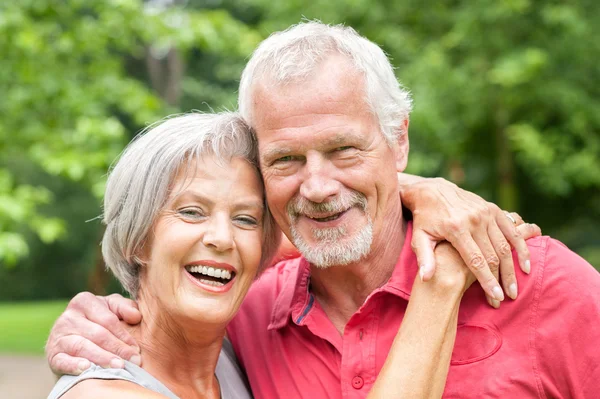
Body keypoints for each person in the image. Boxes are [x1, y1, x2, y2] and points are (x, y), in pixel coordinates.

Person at [47, 21, 600, 397]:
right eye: (286, 159)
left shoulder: (543, 284)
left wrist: (423, 191)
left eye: (344, 150)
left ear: (398, 140)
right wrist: (86, 328)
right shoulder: (246, 313)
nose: (317, 186)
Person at [48, 112, 499, 399]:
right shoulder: (108, 392)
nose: (222, 238)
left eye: (245, 219)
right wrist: (439, 284)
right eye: (191, 211)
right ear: (136, 238)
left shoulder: (222, 361)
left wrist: (420, 191)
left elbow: (316, 217)